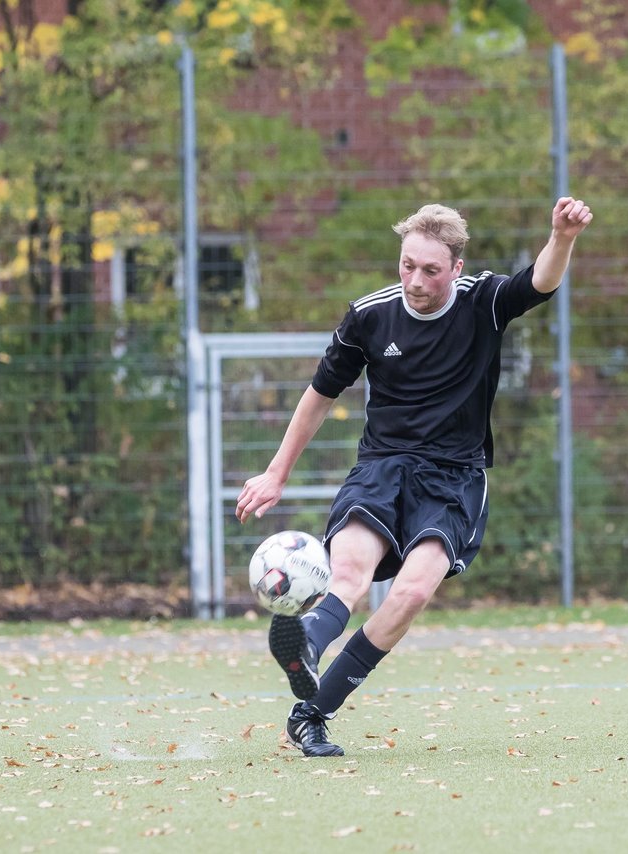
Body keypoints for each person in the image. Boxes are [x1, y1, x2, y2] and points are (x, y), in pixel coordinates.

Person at [236, 197, 593, 757]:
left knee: (410, 593)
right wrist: (276, 472)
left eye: (430, 269)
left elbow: (539, 283)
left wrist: (562, 237)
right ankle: (305, 642)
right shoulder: (370, 316)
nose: (415, 279)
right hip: (382, 466)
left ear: (455, 268)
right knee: (350, 571)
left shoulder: (485, 301)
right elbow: (320, 396)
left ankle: (312, 713)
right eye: (407, 265)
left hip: (454, 478)